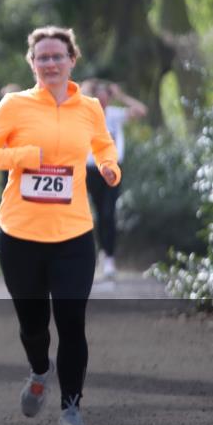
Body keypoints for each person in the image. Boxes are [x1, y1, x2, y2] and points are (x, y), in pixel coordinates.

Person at [0, 26, 120, 425]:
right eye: (42, 57)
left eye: (58, 56)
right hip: (19, 233)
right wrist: (22, 156)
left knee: (72, 322)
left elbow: (103, 146)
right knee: (34, 324)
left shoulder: (89, 107)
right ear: (31, 63)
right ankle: (40, 370)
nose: (50, 63)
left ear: (73, 59)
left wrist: (110, 167)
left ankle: (71, 410)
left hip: (73, 233)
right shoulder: (14, 105)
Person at [80, 79, 147, 279]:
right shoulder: (85, 114)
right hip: (89, 170)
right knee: (87, 215)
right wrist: (88, 89)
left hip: (111, 170)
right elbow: (77, 97)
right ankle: (87, 259)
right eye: (98, 97)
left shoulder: (115, 115)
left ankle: (108, 258)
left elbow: (141, 110)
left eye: (105, 97)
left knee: (108, 214)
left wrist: (120, 95)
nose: (102, 101)